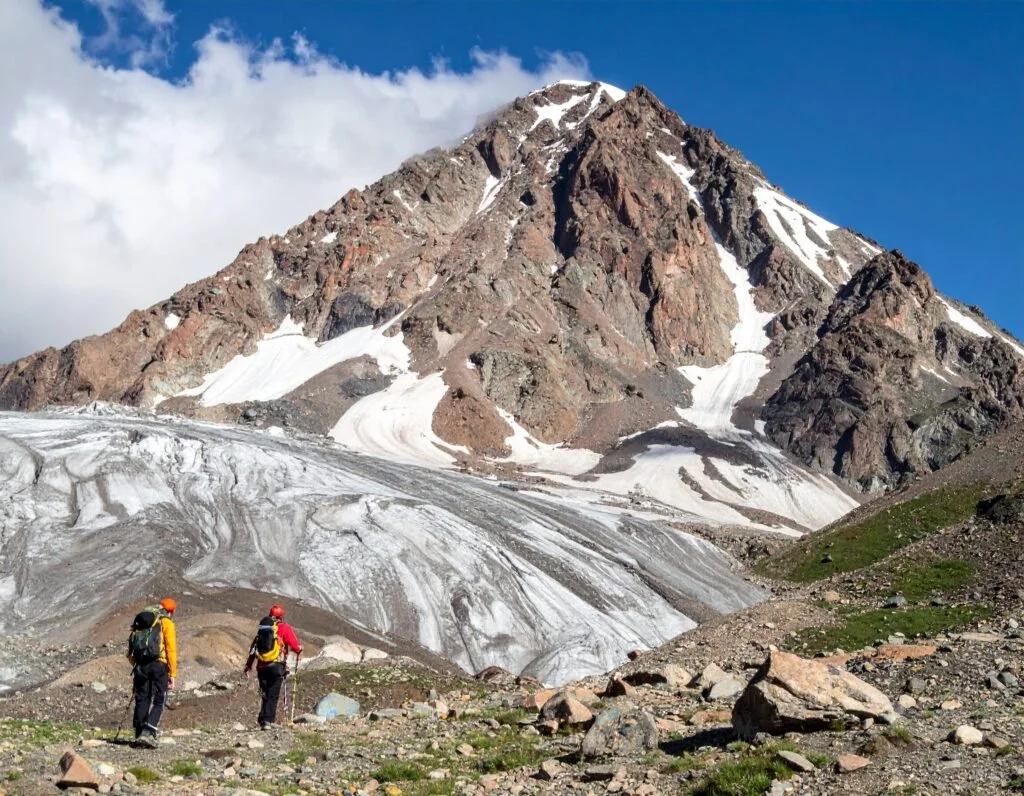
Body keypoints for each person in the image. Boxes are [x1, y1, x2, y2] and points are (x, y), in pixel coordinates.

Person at [127, 597, 177, 748]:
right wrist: (173, 674)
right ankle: (148, 732)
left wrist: (137, 664)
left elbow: (129, 651)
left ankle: (139, 733)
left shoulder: (141, 621)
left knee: (142, 698)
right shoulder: (165, 622)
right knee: (160, 699)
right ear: (171, 611)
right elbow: (171, 649)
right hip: (158, 665)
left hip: (140, 666)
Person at [243, 604, 303, 729]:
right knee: (272, 694)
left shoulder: (263, 630)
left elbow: (253, 650)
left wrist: (249, 665)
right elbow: (295, 645)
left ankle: (263, 719)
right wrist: (299, 651)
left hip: (261, 667)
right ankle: (268, 721)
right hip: (277, 665)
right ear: (281, 616)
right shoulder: (285, 628)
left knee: (265, 693)